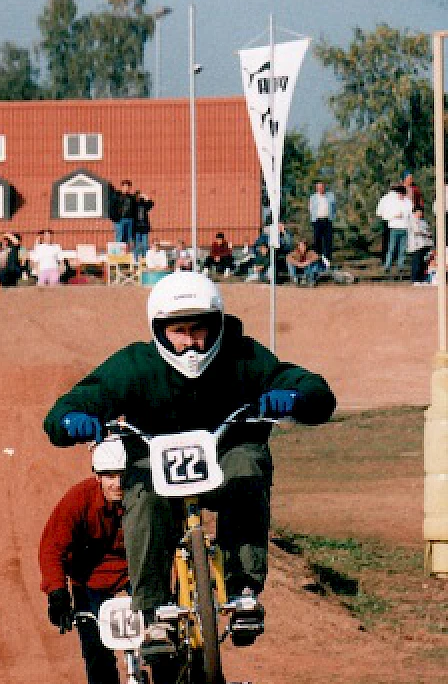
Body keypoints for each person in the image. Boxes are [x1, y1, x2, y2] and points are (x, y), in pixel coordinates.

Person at [44, 272, 336, 650]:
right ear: (159, 331)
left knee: (248, 468)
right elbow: (71, 405)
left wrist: (296, 399)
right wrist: (73, 421)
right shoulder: (134, 365)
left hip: (228, 452)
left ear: (217, 325)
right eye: (178, 331)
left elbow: (311, 388)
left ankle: (244, 588)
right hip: (155, 459)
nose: (191, 343)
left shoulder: (243, 356)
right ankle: (151, 612)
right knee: (143, 495)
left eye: (199, 329)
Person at [39, 439, 129, 684]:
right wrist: (57, 593)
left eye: (122, 475)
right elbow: (52, 548)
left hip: (134, 575)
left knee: (161, 641)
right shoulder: (78, 500)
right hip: (90, 581)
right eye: (109, 476)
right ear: (98, 476)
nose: (117, 484)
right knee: (96, 650)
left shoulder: (143, 497)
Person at [376, 184, 412, 275]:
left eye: (402, 194)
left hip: (405, 227)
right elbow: (385, 215)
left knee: (402, 249)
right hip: (394, 227)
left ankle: (401, 266)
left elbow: (411, 214)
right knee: (391, 248)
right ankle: (387, 266)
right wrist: (394, 216)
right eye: (399, 194)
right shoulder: (392, 202)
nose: (401, 196)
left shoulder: (408, 202)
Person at [307, 182, 336, 262]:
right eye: (318, 187)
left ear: (324, 187)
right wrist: (314, 219)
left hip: (327, 220)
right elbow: (311, 209)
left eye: (321, 187)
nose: (320, 189)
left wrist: (332, 217)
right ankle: (317, 260)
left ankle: (327, 261)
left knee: (328, 241)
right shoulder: (313, 197)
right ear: (316, 188)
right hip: (317, 221)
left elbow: (334, 207)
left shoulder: (331, 196)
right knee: (317, 241)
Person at [108, 179, 136, 247]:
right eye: (125, 187)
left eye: (128, 187)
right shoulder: (117, 196)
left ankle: (125, 254)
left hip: (130, 220)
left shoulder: (131, 197)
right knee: (119, 238)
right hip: (120, 220)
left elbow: (135, 209)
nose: (127, 188)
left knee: (128, 238)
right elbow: (111, 207)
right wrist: (114, 218)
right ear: (122, 187)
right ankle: (118, 254)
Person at [132, 190, 154, 256]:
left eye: (140, 196)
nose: (138, 197)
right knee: (137, 244)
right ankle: (136, 259)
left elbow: (151, 204)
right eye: (137, 196)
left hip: (144, 227)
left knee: (145, 244)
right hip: (136, 228)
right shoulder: (133, 205)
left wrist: (145, 197)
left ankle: (145, 258)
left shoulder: (144, 204)